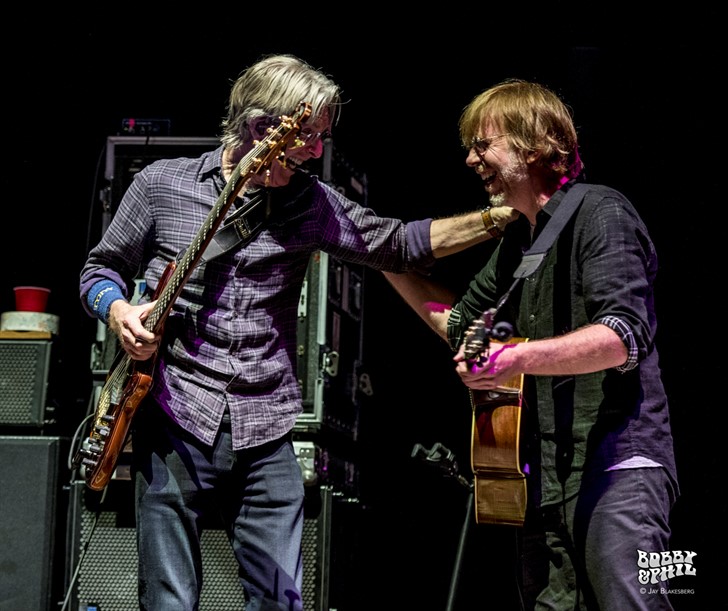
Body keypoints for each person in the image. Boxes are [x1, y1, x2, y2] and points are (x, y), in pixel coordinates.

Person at [78, 54, 512, 611]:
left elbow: (400, 244)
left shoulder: (310, 202)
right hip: (175, 416)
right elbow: (98, 271)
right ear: (263, 128)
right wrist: (117, 311)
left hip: (266, 425)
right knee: (168, 598)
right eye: (308, 137)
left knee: (283, 601)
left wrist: (498, 218)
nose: (316, 151)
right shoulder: (163, 185)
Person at [384, 79, 679, 610]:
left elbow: (622, 338)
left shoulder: (601, 212)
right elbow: (460, 325)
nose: (472, 159)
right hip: (544, 479)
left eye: (483, 143)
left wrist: (513, 358)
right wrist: (380, 261)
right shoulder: (522, 241)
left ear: (536, 144)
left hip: (618, 471)